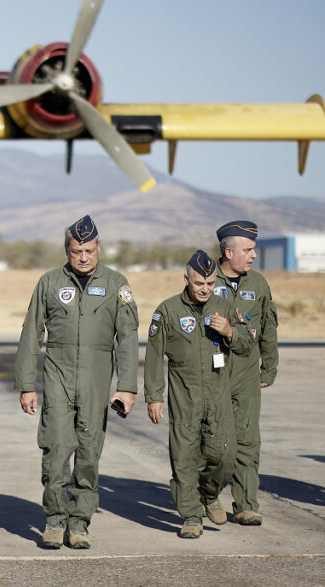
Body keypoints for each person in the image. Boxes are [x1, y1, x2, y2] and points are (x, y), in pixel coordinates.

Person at [14, 214, 139, 550]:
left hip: (96, 379)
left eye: (89, 250)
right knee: (55, 450)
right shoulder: (50, 282)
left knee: (88, 455)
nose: (83, 257)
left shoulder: (116, 285)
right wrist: (27, 384)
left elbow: (126, 338)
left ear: (99, 248)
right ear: (66, 251)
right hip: (58, 375)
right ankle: (54, 520)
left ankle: (80, 522)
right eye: (76, 251)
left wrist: (127, 386)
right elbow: (31, 335)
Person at [145, 250, 251, 538]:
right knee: (184, 458)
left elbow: (246, 346)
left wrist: (230, 331)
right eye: (198, 283)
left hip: (218, 395)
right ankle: (191, 515)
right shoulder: (167, 311)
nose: (204, 289)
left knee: (225, 456)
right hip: (184, 395)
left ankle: (209, 493)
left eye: (209, 283)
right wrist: (154, 396)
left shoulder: (224, 305)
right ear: (186, 279)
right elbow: (154, 356)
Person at [212, 220, 279, 526]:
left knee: (248, 440)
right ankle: (206, 496)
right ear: (228, 251)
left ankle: (246, 504)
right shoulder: (205, 279)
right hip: (214, 373)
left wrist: (270, 366)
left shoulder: (258, 284)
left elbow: (268, 328)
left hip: (248, 372)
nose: (253, 255)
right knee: (212, 441)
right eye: (248, 249)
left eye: (254, 249)